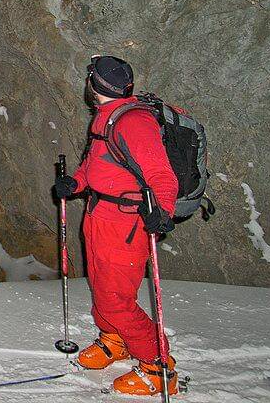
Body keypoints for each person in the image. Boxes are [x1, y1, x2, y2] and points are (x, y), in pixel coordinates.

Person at [54, 55, 180, 396]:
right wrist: (77, 183)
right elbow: (97, 162)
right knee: (101, 283)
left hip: (124, 222)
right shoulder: (106, 118)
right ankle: (114, 340)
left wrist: (163, 211)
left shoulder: (133, 122)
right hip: (99, 215)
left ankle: (157, 366)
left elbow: (161, 175)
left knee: (116, 299)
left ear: (93, 85)